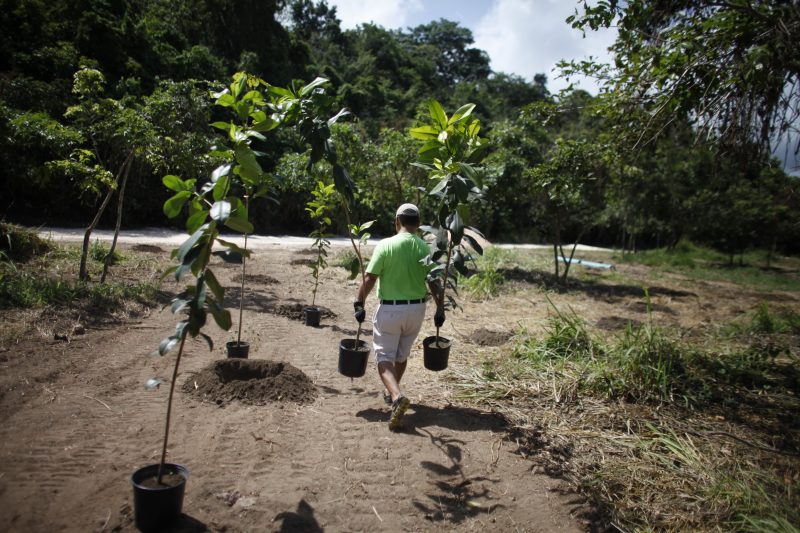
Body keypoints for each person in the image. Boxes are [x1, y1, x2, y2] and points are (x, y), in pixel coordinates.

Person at [354, 203, 445, 431]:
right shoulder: (425, 249)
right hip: (416, 310)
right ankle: (392, 392)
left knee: (384, 357)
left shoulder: (386, 245)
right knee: (401, 355)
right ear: (417, 223)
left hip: (390, 310)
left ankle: (396, 397)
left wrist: (359, 302)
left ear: (397, 221)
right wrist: (440, 308)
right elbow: (434, 282)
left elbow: (370, 278)